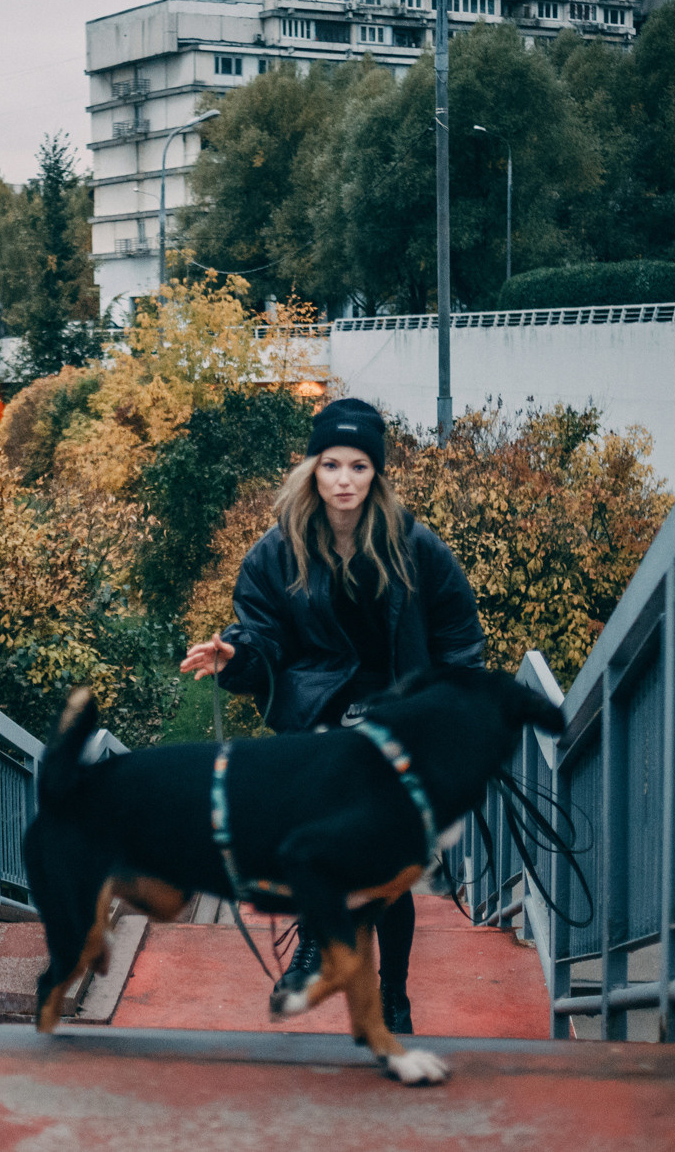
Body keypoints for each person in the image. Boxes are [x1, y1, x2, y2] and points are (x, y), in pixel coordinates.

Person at [178, 397, 486, 1035]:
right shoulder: (277, 551)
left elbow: (459, 635)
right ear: (312, 469)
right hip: (318, 706)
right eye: (331, 464)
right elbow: (261, 635)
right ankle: (319, 939)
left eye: (359, 466)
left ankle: (393, 996)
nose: (344, 479)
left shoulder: (416, 546)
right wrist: (235, 656)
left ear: (376, 475)